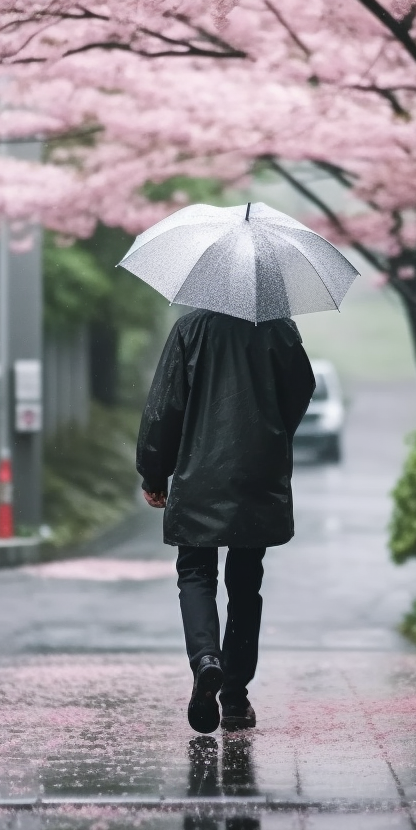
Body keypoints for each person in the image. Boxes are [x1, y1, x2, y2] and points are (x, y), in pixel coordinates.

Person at [136, 305, 318, 738]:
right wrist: (271, 435)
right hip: (258, 474)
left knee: (195, 573)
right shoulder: (280, 330)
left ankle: (206, 661)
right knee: (245, 583)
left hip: (198, 472)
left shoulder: (190, 329)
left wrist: (153, 471)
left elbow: (165, 406)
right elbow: (302, 389)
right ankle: (235, 697)